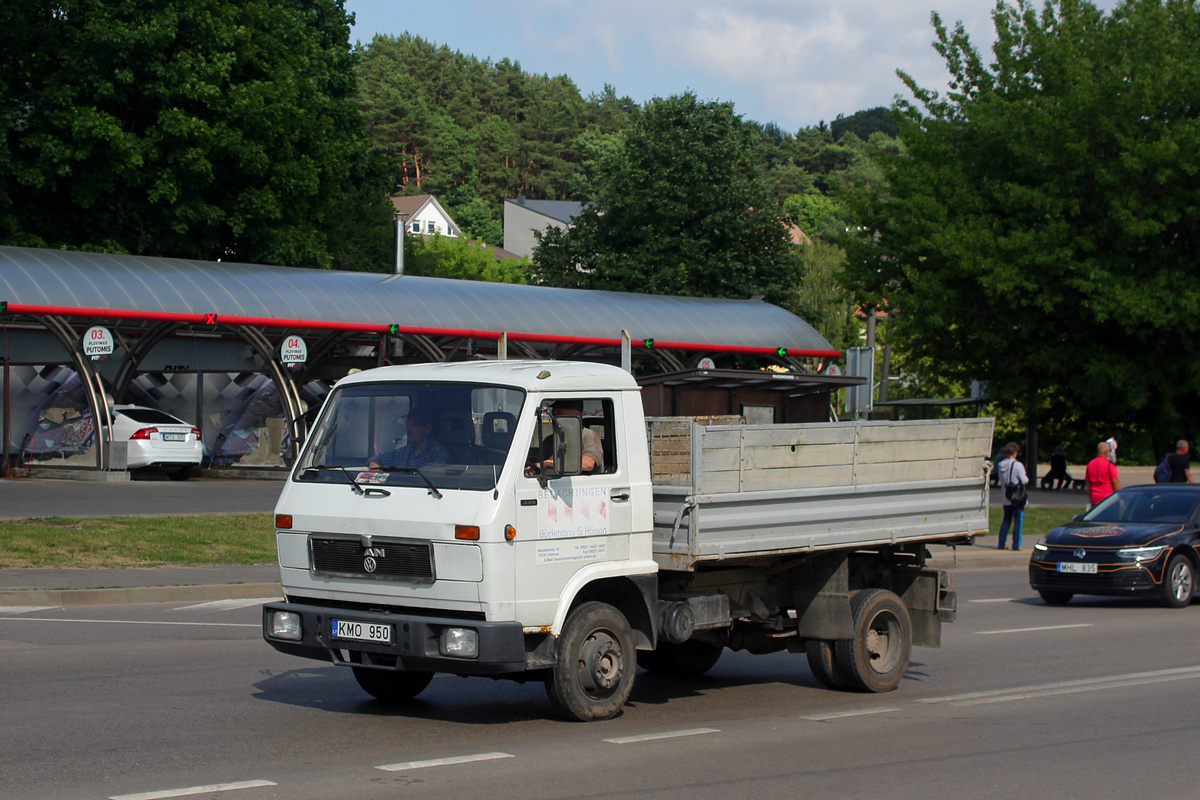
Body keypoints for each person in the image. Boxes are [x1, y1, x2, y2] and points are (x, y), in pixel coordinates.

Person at [530, 400, 604, 474]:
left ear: (577, 416)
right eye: (553, 414)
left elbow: (588, 463)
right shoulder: (549, 440)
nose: (555, 418)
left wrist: (548, 464)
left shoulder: (588, 436)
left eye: (560, 414)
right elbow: (538, 466)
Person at [369, 405, 450, 469]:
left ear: (428, 428)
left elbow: (435, 483)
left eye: (413, 425)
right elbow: (377, 459)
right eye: (407, 425)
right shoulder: (405, 451)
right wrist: (375, 463)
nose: (408, 430)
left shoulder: (438, 454)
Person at [996, 442, 1028, 551]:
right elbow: (1024, 480)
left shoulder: (1000, 465)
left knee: (1006, 520)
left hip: (1006, 496)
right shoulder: (1018, 465)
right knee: (1018, 521)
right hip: (1017, 497)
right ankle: (1016, 544)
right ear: (1014, 453)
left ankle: (1001, 543)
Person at [1085, 440, 1121, 508]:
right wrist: (1121, 497)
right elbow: (1115, 482)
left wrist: (1090, 497)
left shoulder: (1090, 464)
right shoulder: (1109, 465)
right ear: (1107, 451)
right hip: (1108, 498)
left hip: (1095, 498)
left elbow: (1088, 484)